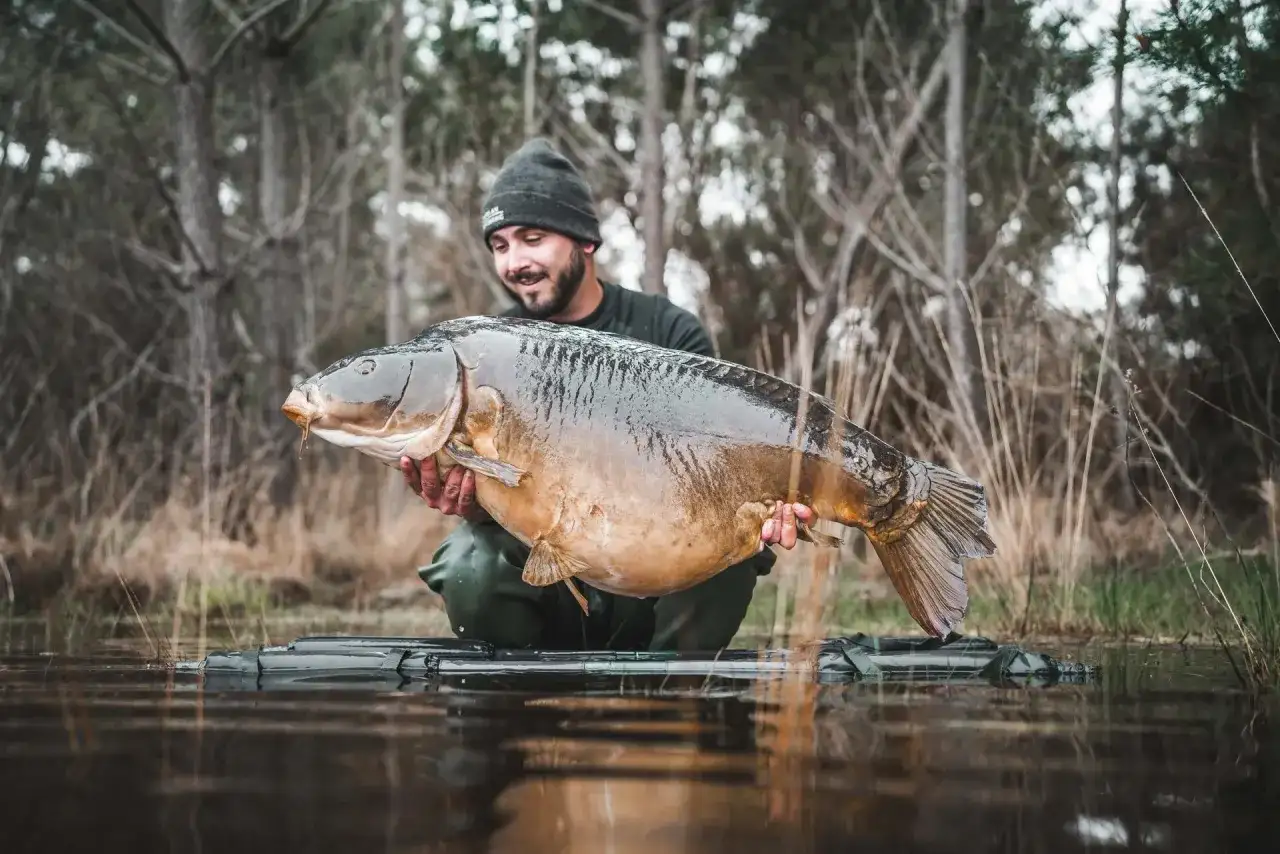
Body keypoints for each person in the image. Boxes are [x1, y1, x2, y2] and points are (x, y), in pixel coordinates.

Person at [400, 138, 813, 652]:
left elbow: (726, 461)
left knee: (730, 554)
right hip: (550, 584)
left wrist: (775, 498)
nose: (515, 262)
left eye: (532, 238)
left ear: (586, 241)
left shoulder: (668, 331)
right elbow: (506, 499)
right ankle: (523, 710)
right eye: (501, 245)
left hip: (658, 577)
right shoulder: (486, 352)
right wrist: (472, 504)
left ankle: (669, 711)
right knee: (467, 561)